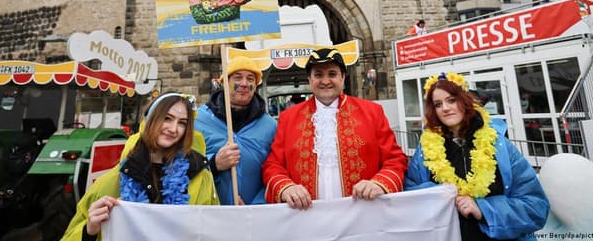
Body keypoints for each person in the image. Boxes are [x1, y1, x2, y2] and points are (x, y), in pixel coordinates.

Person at [406, 72, 549, 240]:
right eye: (438, 104)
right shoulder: (425, 151)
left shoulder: (500, 145)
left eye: (451, 100)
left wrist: (484, 209)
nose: (445, 108)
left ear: (465, 101)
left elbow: (536, 207)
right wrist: (438, 194)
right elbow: (411, 200)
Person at [262, 48, 408, 209]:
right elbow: (273, 165)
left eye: (332, 74)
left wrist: (379, 184)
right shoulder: (288, 118)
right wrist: (286, 187)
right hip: (305, 217)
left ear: (343, 78)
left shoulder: (372, 112)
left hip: (363, 214)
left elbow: (395, 160)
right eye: (318, 75)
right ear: (309, 80)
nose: (325, 81)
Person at [62, 93, 219, 241]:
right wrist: (88, 231)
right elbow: (70, 235)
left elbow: (214, 231)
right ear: (149, 120)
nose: (173, 129)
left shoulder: (200, 177)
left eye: (182, 123)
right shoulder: (115, 178)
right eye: (167, 119)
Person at [194, 56, 277, 205]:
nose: (244, 84)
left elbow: (276, 169)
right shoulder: (198, 120)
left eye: (250, 79)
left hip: (256, 216)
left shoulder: (270, 125)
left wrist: (257, 205)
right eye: (237, 78)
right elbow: (182, 165)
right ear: (224, 82)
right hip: (211, 213)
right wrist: (213, 163)